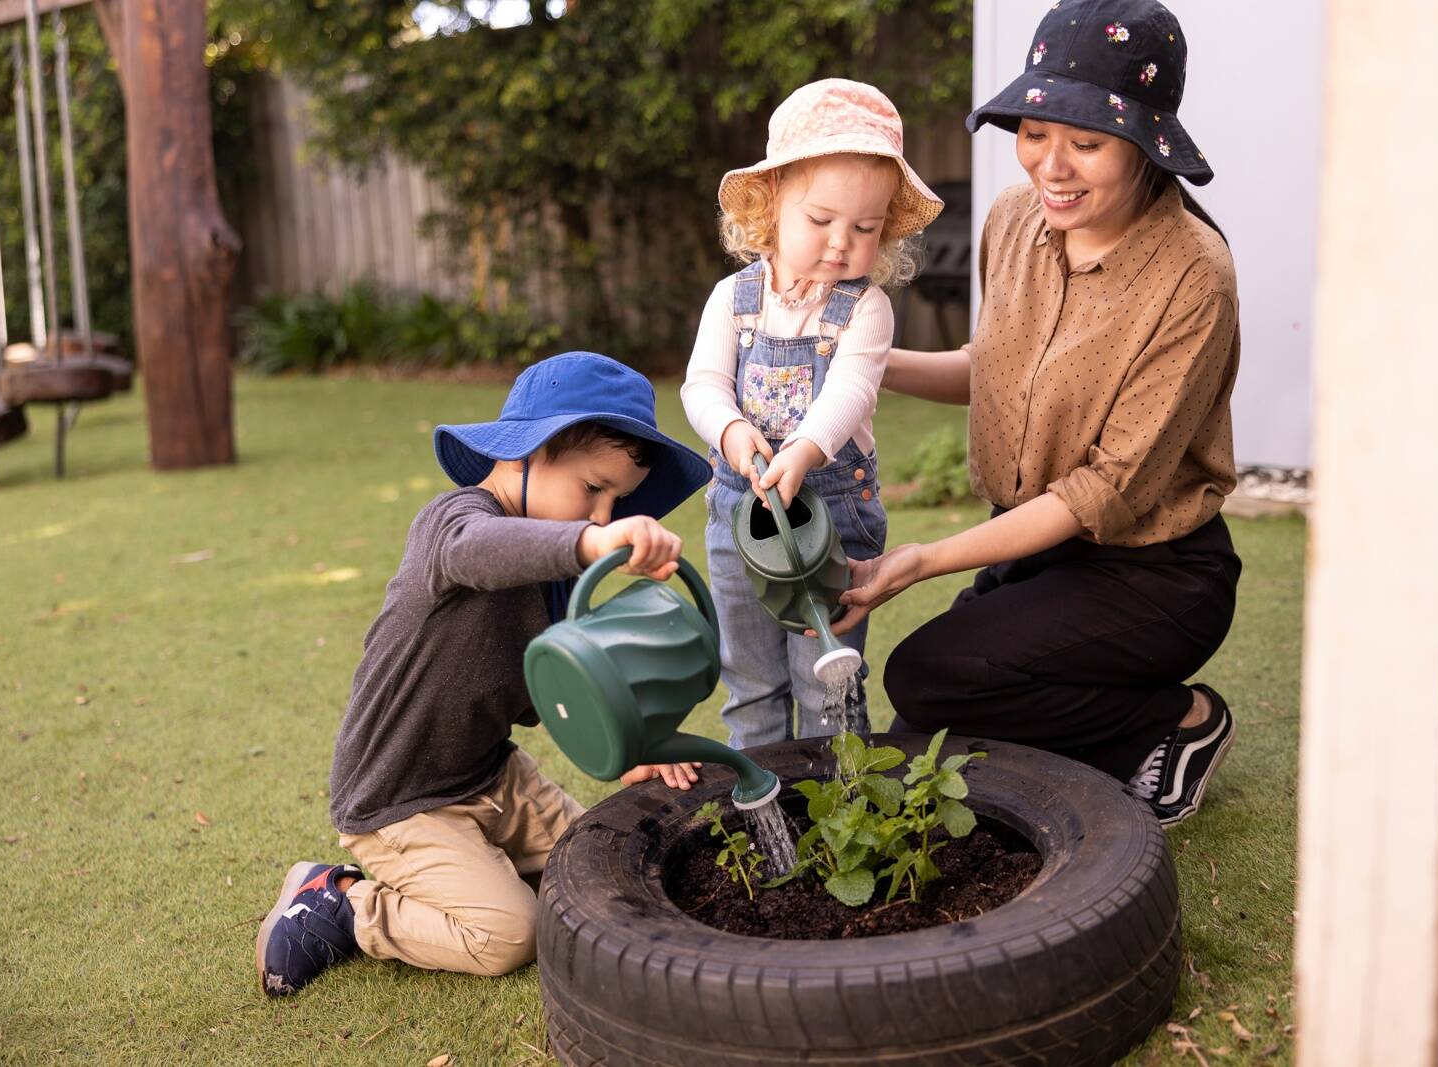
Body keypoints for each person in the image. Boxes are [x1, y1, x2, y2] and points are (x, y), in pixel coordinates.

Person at [836, 0, 1242, 825]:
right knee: (923, 737)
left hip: (1153, 573)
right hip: (1035, 551)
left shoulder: (1194, 276)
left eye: (1086, 143)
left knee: (925, 676)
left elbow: (1101, 491)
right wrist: (856, 369)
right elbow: (997, 371)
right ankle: (1088, 715)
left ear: (1147, 142)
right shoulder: (1015, 220)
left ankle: (1179, 719)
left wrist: (923, 560)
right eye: (1033, 131)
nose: (1050, 166)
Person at [255, 352, 712, 996]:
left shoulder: (558, 578)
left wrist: (630, 749)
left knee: (601, 871)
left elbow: (552, 691)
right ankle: (343, 903)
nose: (603, 516)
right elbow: (477, 554)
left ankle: (485, 858)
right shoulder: (452, 523)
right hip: (401, 801)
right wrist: (587, 545)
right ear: (526, 453)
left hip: (492, 776)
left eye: (617, 501)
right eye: (592, 489)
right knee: (509, 934)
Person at [681, 78, 942, 748]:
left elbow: (850, 389)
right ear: (771, 206)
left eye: (864, 227)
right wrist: (733, 429)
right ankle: (766, 807)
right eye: (821, 220)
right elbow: (702, 384)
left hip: (831, 513)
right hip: (740, 514)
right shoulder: (732, 299)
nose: (840, 243)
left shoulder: (864, 307)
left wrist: (803, 449)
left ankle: (839, 812)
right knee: (750, 679)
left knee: (829, 679)